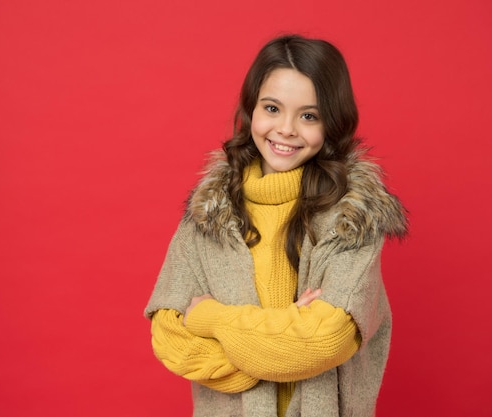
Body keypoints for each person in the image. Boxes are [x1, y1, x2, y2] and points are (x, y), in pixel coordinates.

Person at [144, 34, 407, 417]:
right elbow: (170, 338)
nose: (286, 129)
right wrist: (282, 341)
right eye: (272, 108)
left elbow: (326, 340)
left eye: (308, 115)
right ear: (251, 109)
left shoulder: (351, 219)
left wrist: (209, 317)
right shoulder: (210, 215)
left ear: (331, 124)